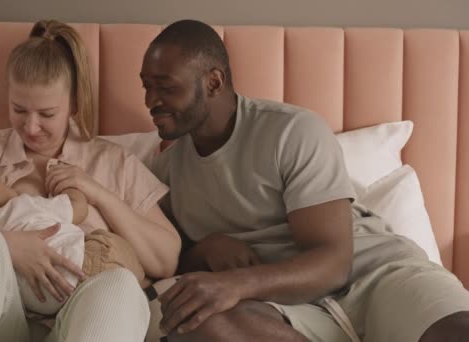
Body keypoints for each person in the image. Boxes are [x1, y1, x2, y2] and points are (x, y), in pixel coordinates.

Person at [141, 19, 469, 342]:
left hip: (376, 277)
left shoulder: (290, 131)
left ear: (213, 82)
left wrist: (236, 283)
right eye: (147, 86)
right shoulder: (165, 171)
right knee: (199, 326)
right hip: (284, 310)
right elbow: (164, 259)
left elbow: (334, 263)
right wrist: (203, 250)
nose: (150, 101)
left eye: (166, 87)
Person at [0, 19, 181, 342]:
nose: (31, 127)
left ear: (74, 105)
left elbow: (165, 259)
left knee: (119, 285)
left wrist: (96, 194)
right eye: (19, 110)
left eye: (46, 114)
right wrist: (9, 245)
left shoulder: (112, 163)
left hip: (77, 320)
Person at [0, 167, 146, 316]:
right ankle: (142, 282)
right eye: (2, 182)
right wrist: (71, 189)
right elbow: (78, 210)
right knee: (107, 241)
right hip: (83, 265)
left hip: (48, 306)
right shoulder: (20, 205)